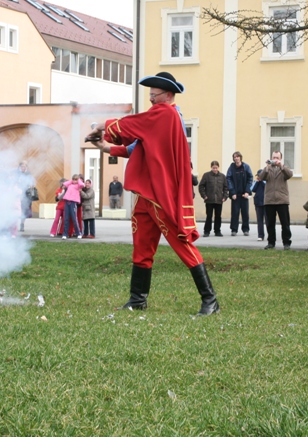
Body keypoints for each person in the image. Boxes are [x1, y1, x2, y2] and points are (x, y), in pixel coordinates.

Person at [87, 71, 219, 316]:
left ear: (168, 95)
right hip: (146, 195)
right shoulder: (159, 119)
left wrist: (102, 125)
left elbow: (131, 124)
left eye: (154, 95)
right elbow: (136, 147)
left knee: (181, 244)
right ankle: (138, 299)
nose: (151, 99)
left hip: (160, 194)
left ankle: (210, 300)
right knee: (142, 248)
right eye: (150, 95)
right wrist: (104, 146)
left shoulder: (166, 113)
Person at [259, 151, 293, 250]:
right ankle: (271, 242)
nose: (275, 160)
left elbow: (289, 175)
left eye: (277, 158)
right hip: (269, 200)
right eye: (274, 157)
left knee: (285, 223)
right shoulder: (267, 169)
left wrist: (281, 166)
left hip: (282, 200)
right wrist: (267, 167)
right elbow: (261, 177)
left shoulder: (284, 168)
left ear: (280, 159)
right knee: (270, 223)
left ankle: (286, 242)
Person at [198, 160, 228, 237]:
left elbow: (226, 188)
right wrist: (204, 196)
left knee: (218, 216)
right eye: (213, 168)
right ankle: (207, 231)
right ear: (211, 167)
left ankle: (217, 231)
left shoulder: (222, 176)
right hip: (209, 200)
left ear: (218, 167)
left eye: (216, 168)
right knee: (209, 216)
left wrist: (224, 197)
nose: (215, 169)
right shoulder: (206, 175)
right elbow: (201, 186)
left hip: (219, 200)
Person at [226, 151, 253, 237]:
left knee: (245, 213)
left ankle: (246, 229)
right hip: (235, 195)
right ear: (233, 159)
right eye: (235, 157)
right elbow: (228, 179)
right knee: (235, 213)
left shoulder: (246, 167)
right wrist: (232, 192)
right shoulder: (231, 168)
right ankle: (234, 229)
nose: (236, 158)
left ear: (240, 157)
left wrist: (247, 191)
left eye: (237, 157)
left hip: (244, 194)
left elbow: (250, 179)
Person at [13, 161, 36, 232]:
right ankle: (14, 225)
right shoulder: (16, 173)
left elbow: (32, 182)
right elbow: (13, 182)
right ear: (19, 167)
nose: (23, 167)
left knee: (24, 210)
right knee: (16, 209)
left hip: (26, 194)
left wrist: (31, 185)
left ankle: (22, 224)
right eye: (22, 166)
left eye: (25, 166)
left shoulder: (28, 174)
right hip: (18, 194)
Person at [61, 174, 84, 239]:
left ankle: (78, 233)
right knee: (66, 218)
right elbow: (65, 184)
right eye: (73, 179)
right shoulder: (70, 185)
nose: (74, 181)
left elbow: (82, 185)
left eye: (75, 180)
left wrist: (78, 180)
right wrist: (72, 180)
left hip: (73, 203)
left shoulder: (78, 186)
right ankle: (65, 234)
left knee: (74, 218)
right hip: (67, 202)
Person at [251, 171, 266, 241]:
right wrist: (257, 182)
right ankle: (260, 235)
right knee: (259, 220)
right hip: (258, 203)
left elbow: (266, 187)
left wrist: (262, 181)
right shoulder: (256, 182)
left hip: (266, 203)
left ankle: (271, 235)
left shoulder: (266, 181)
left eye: (260, 176)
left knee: (268, 220)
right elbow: (252, 189)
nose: (258, 177)